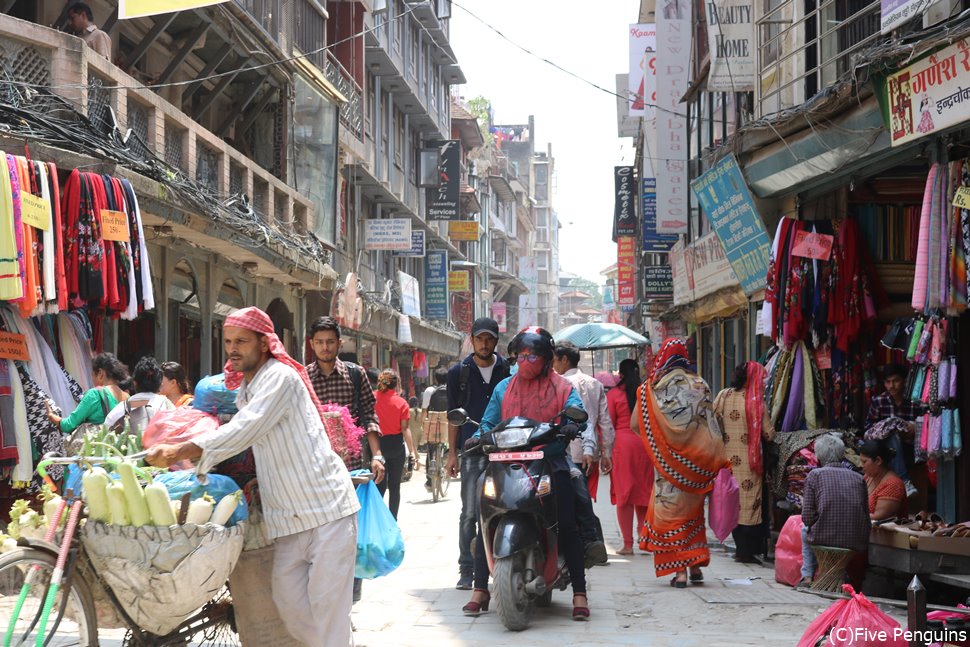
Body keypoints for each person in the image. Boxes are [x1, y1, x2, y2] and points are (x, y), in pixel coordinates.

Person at [146, 307, 359, 647]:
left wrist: (177, 451)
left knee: (327, 614)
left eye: (242, 341)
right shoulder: (247, 387)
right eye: (229, 341)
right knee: (291, 609)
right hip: (287, 519)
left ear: (264, 343)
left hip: (326, 511)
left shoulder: (280, 378)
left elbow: (245, 430)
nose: (233, 348)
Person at [467, 327, 591, 620]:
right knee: (483, 515)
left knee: (571, 514)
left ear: (547, 358)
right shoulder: (503, 388)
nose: (527, 360)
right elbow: (488, 420)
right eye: (521, 355)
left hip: (548, 461)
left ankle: (580, 592)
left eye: (533, 355)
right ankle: (480, 588)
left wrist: (573, 424)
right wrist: (479, 435)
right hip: (505, 461)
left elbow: (575, 409)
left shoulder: (562, 386)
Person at [305, 316, 386, 604]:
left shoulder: (355, 374)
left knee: (348, 529)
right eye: (319, 342)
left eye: (330, 342)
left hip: (352, 466)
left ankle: (349, 592)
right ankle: (324, 590)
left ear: (339, 343)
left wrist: (377, 455)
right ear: (312, 345)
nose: (325, 347)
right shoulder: (304, 377)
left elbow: (369, 415)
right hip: (315, 468)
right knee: (319, 532)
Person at [635, 338, 727, 588]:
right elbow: (712, 424)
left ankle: (680, 573)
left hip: (668, 468)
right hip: (697, 468)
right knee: (693, 516)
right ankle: (695, 566)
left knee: (671, 517)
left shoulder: (652, 389)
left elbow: (636, 424)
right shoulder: (701, 385)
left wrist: (663, 443)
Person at [444, 317, 511, 590]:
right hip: (471, 450)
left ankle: (505, 559)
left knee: (507, 506)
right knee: (470, 512)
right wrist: (452, 454)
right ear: (472, 339)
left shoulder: (508, 369)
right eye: (480, 338)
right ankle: (466, 568)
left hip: (505, 447)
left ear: (496, 341)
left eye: (490, 339)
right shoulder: (458, 372)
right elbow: (452, 416)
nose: (485, 344)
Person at [552, 340, 611, 565]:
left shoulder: (559, 384)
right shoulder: (595, 384)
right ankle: (593, 542)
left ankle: (587, 543)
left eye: (555, 360)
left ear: (564, 360)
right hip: (590, 451)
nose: (553, 365)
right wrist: (606, 452)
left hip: (566, 450)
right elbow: (605, 422)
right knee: (583, 498)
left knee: (572, 500)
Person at [713, 362, 774, 564]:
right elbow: (768, 433)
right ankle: (745, 551)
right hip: (750, 463)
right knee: (749, 505)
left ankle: (741, 548)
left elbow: (713, 420)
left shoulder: (724, 396)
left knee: (733, 503)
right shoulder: (757, 402)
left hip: (727, 460)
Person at [798, 434, 870, 589]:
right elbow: (865, 515)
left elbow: (807, 518)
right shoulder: (858, 477)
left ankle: (807, 576)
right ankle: (836, 577)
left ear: (818, 456)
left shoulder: (815, 475)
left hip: (824, 537)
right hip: (855, 540)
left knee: (804, 530)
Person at [606, 358, 654, 556]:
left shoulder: (615, 394)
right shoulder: (646, 393)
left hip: (623, 446)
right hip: (644, 445)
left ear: (621, 374)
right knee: (643, 493)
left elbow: (609, 423)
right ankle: (644, 539)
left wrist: (604, 452)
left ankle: (627, 545)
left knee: (624, 495)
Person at [866, 363, 922, 498]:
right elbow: (868, 429)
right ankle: (905, 481)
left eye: (896, 381)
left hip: (910, 446)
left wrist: (911, 427)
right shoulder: (879, 401)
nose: (892, 386)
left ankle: (904, 482)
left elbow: (925, 426)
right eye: (888, 382)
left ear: (904, 380)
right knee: (892, 434)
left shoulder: (914, 401)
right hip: (886, 448)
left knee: (897, 432)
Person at [48, 352, 128, 433]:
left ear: (100, 373)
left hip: (100, 445)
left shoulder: (95, 394)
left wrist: (52, 417)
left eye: (92, 375)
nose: (92, 380)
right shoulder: (127, 397)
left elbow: (69, 425)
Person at [374, 370, 417, 520]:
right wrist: (412, 451)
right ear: (396, 383)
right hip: (396, 446)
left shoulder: (372, 398)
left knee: (378, 485)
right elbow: (405, 429)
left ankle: (378, 520)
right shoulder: (401, 403)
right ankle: (393, 521)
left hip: (377, 446)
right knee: (394, 486)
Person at [104, 356, 174, 431]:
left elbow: (106, 429)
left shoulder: (124, 407)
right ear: (160, 385)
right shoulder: (167, 406)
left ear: (135, 383)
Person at [859, 438, 907, 521]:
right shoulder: (868, 477)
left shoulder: (894, 484)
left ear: (878, 461)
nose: (861, 465)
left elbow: (879, 516)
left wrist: (851, 515)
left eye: (864, 462)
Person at [423, 367, 450, 491]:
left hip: (433, 424)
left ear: (435, 378)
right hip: (448, 425)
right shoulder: (451, 390)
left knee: (430, 448)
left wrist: (425, 426)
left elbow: (425, 411)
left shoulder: (429, 390)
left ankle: (429, 481)